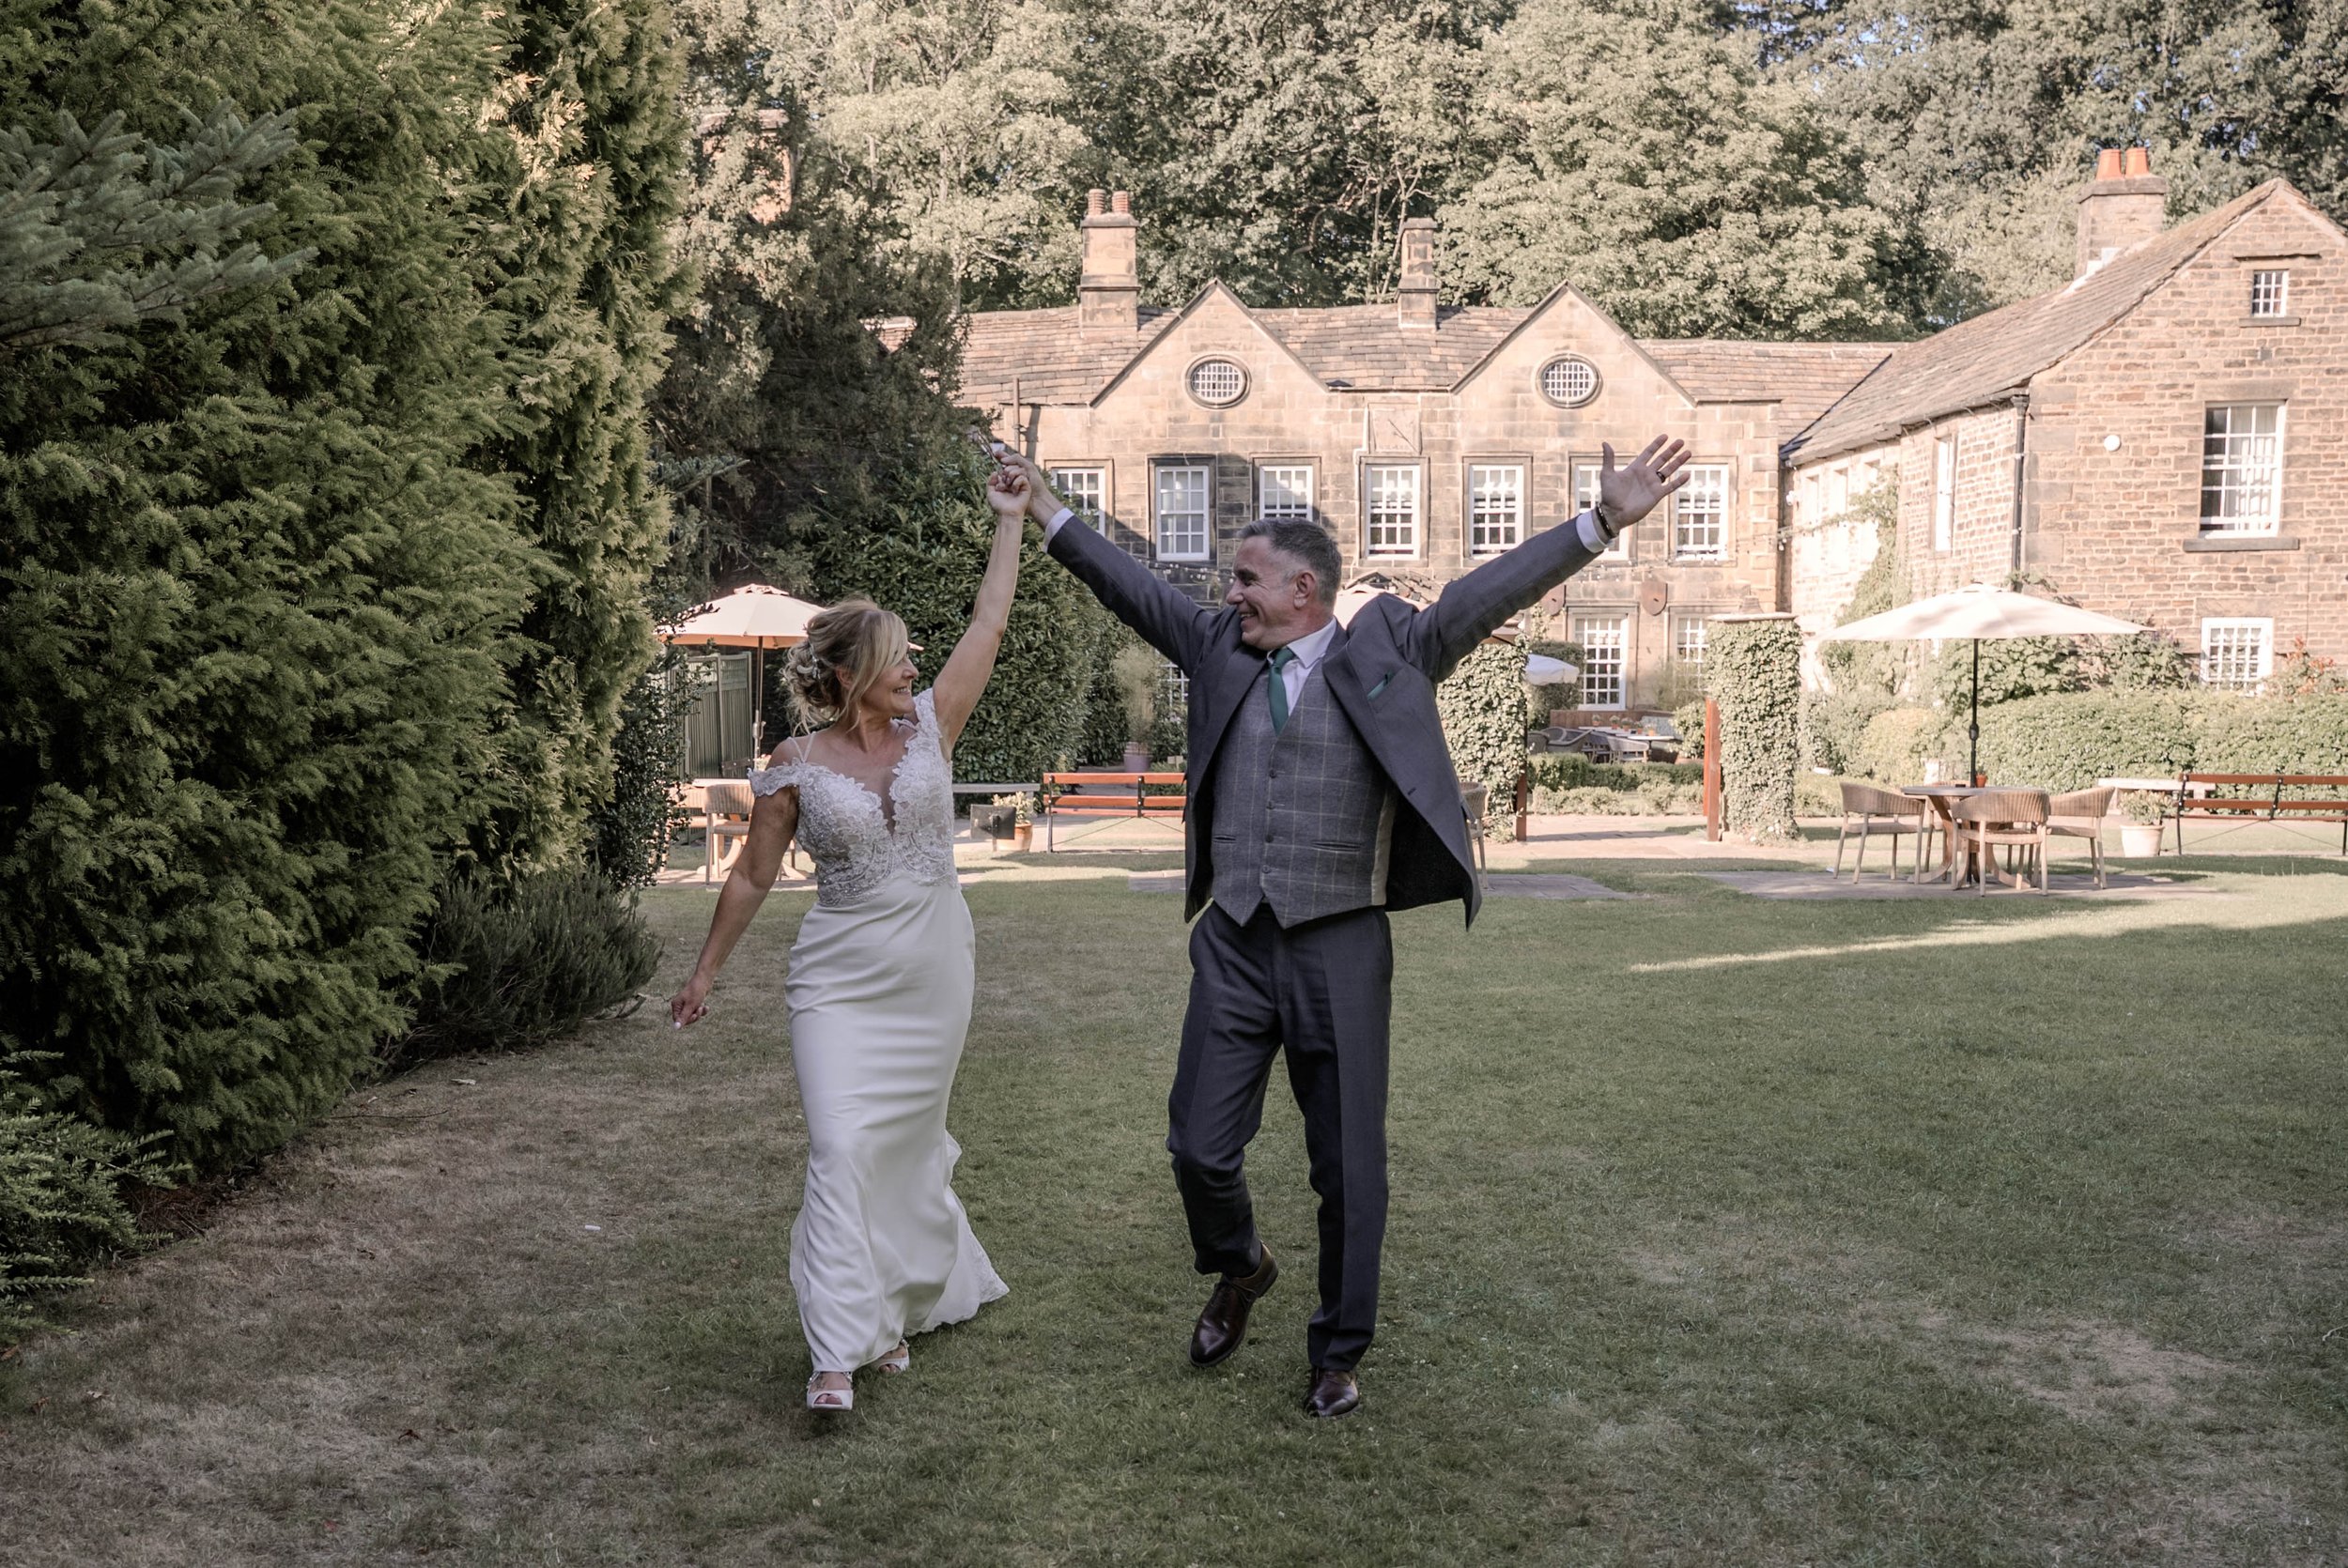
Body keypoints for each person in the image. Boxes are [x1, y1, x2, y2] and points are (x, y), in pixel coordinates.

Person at [998, 438, 1690, 1418]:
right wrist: (1043, 510)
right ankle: (1240, 1266)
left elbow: (1486, 592)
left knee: (1349, 1165)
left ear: (1303, 587)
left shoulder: (1392, 650)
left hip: (1342, 941)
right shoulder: (1214, 648)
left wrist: (1603, 521)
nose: (1228, 591)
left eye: (1246, 578)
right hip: (1235, 936)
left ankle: (1337, 1349)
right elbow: (1129, 587)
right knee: (1198, 1146)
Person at [668, 466, 1036, 1412]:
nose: (914, 666)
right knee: (838, 1145)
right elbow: (752, 874)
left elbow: (988, 626)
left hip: (932, 974)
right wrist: (704, 970)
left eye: (915, 654)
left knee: (901, 1147)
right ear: (847, 671)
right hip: (837, 982)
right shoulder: (793, 765)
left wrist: (1009, 521)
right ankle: (838, 1351)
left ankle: (887, 1310)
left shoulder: (932, 730)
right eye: (897, 655)